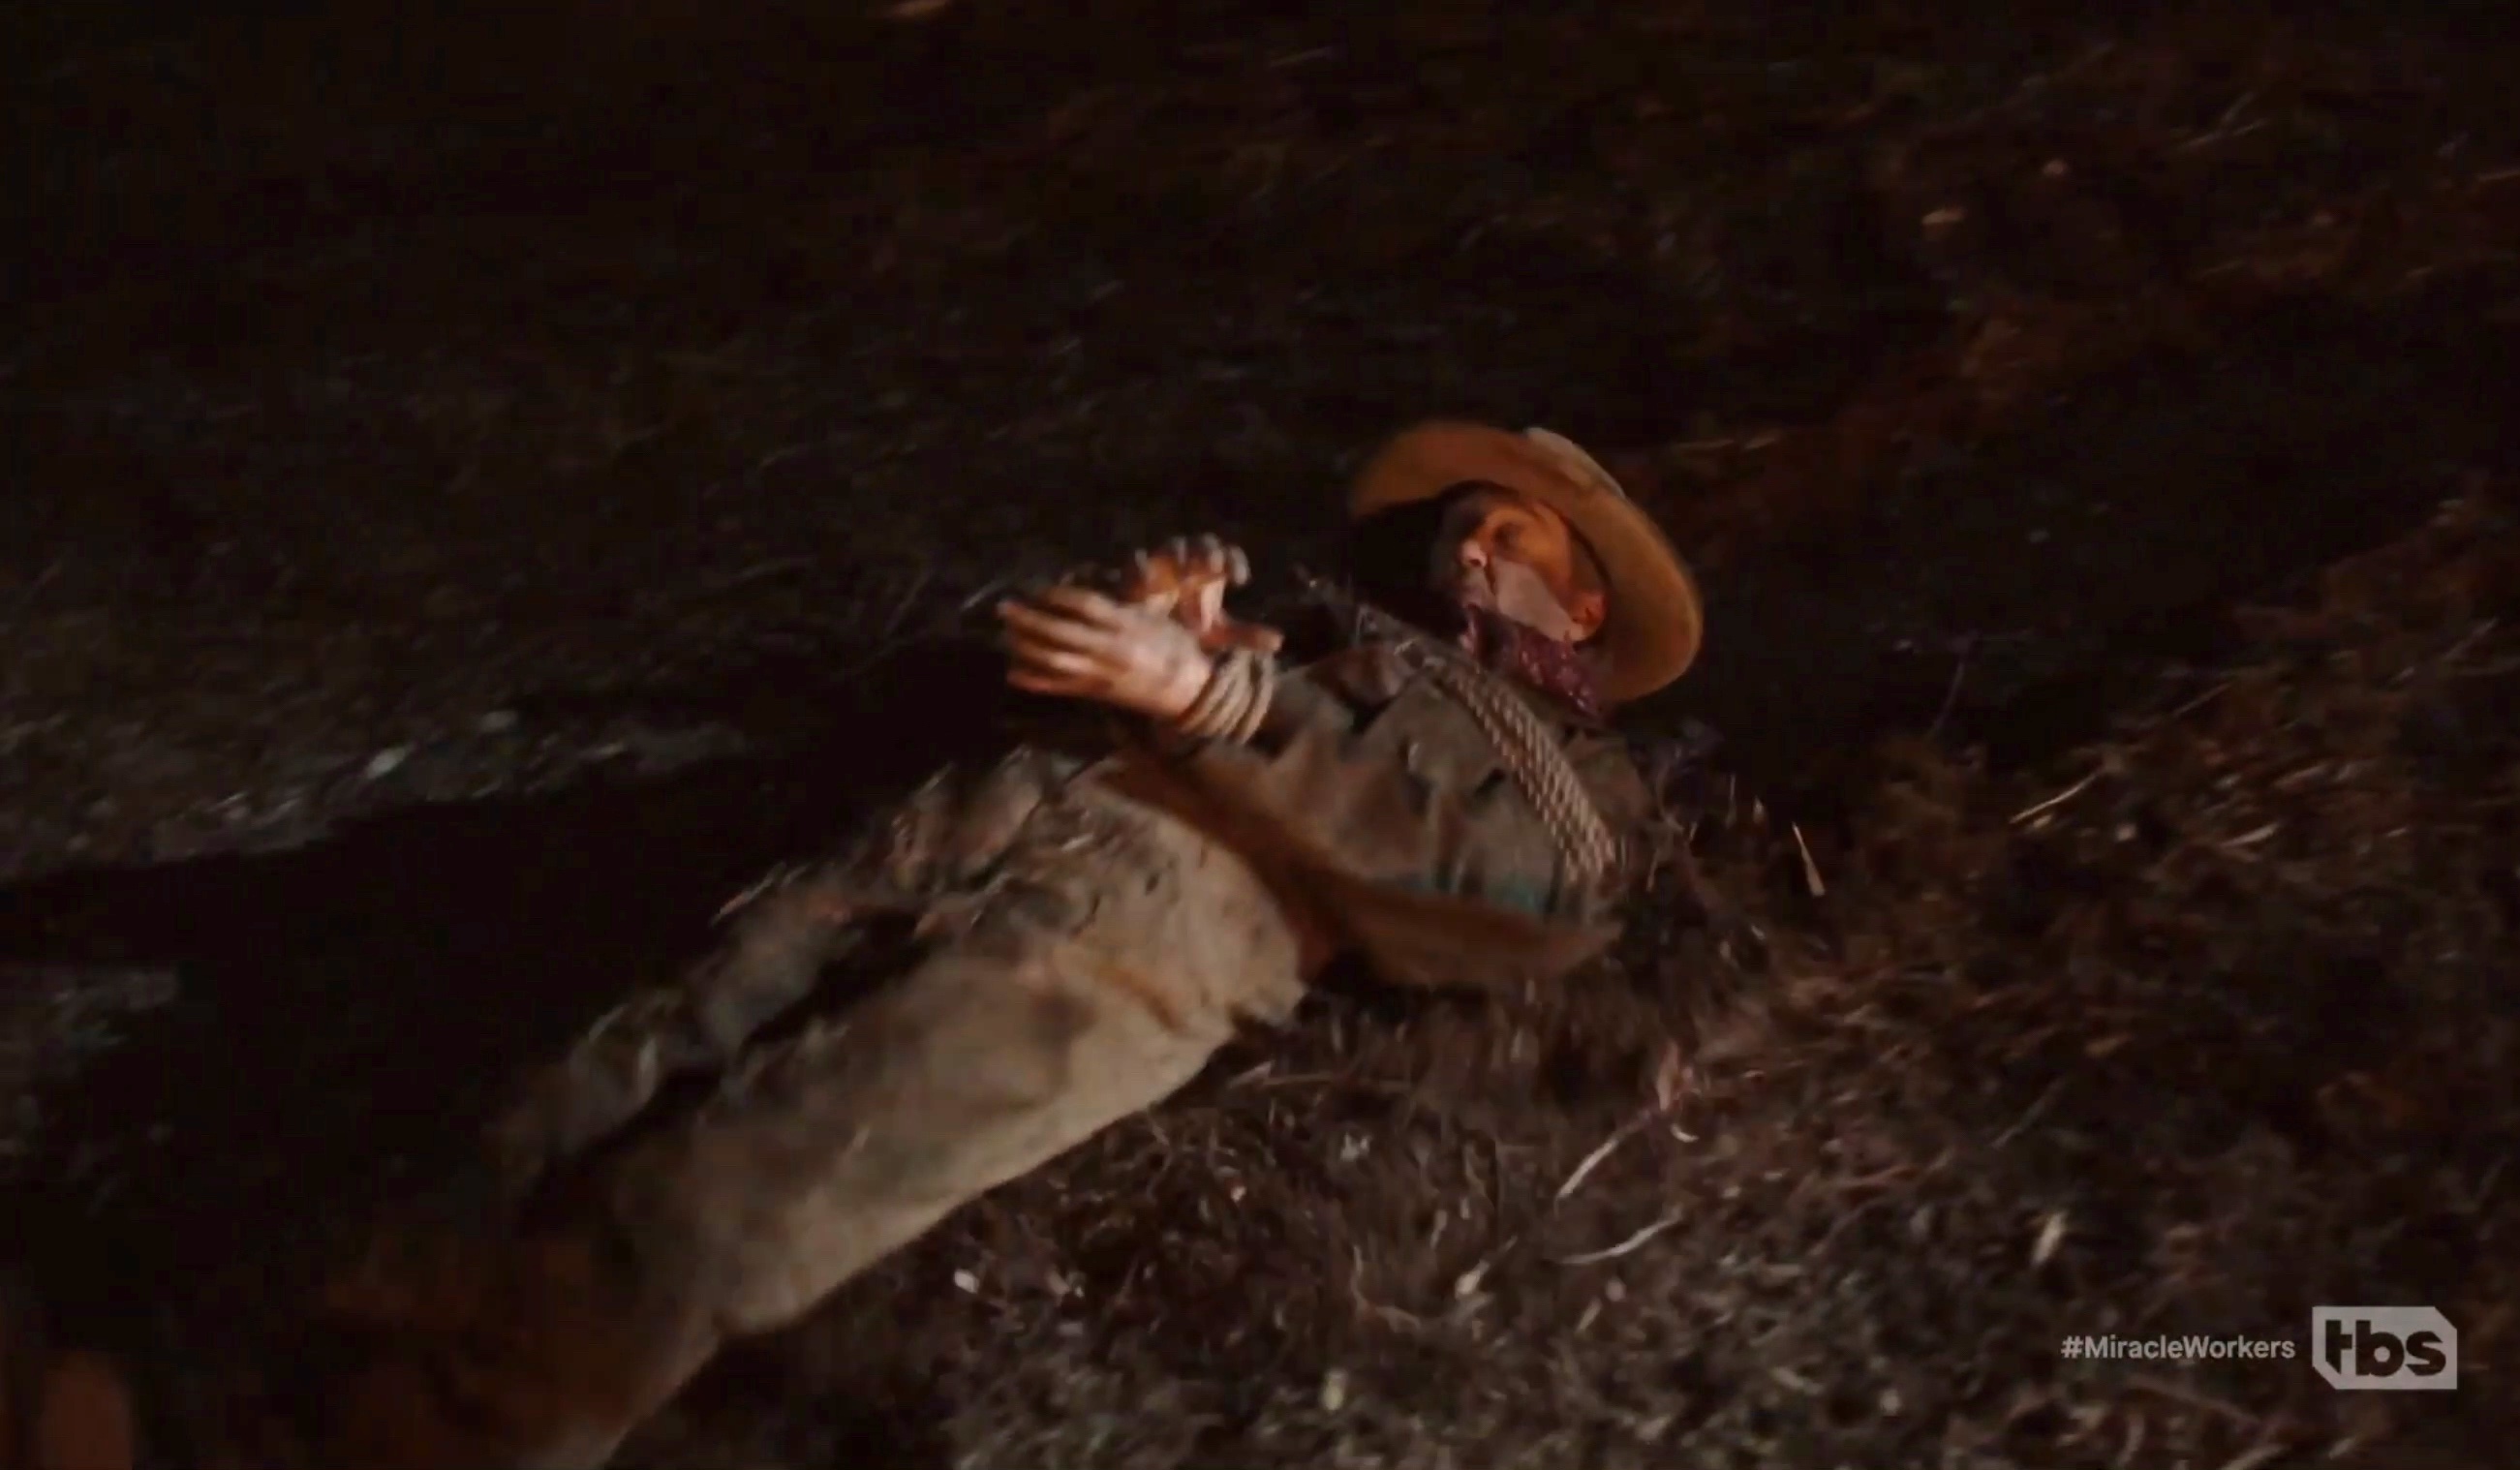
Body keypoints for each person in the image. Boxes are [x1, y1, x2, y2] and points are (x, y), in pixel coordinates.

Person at [0, 420, 1705, 1470]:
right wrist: (1151, 644)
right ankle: (209, 1418)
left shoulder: (1573, 778)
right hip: (965, 838)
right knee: (577, 1096)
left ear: (1586, 608)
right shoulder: (1329, 637)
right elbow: (1064, 694)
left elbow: (1508, 905)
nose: (1481, 535)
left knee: (716, 1208)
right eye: (1474, 514)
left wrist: (1211, 699)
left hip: (1130, 949)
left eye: (1526, 537)